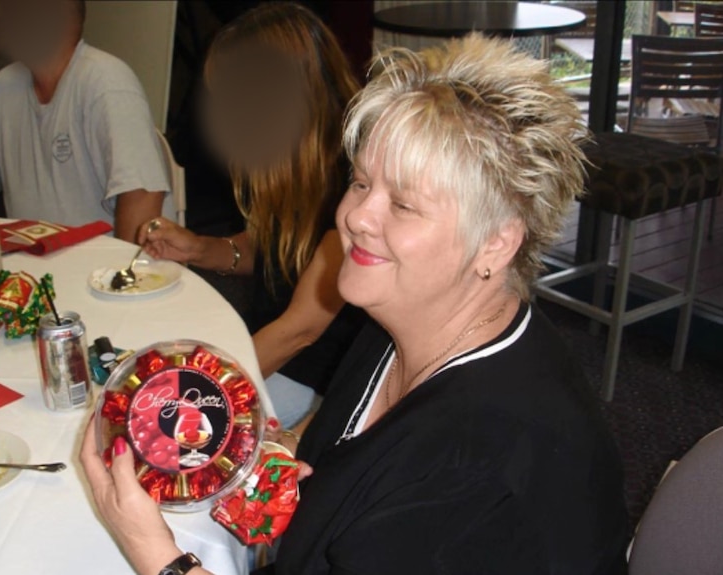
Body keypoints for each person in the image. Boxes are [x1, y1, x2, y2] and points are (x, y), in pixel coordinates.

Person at [81, 34, 629, 574]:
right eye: (362, 183)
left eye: (405, 204)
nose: (356, 217)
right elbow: (351, 448)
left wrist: (157, 555)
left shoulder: (477, 466)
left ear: (497, 243)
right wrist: (282, 445)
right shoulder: (401, 322)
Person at [137, 3, 364, 428]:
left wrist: (194, 390)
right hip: (269, 348)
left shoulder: (352, 179)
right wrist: (199, 248)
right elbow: (271, 250)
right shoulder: (289, 164)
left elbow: (300, 331)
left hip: (315, 378)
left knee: (178, 431)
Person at [0, 0, 172, 242]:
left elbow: (143, 197)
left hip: (100, 271)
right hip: (36, 270)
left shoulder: (107, 83)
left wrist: (116, 276)